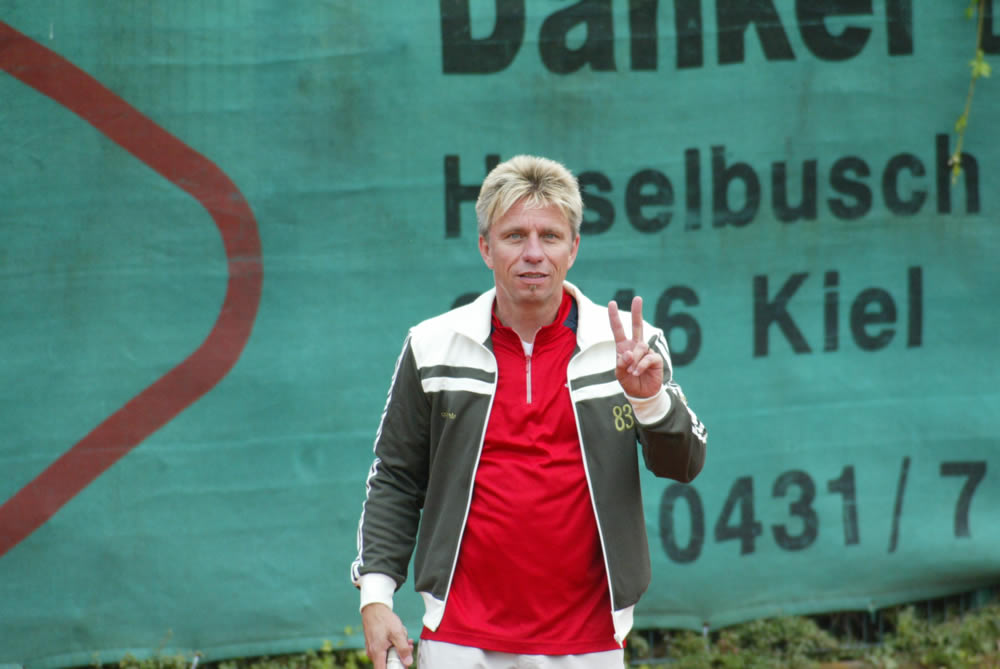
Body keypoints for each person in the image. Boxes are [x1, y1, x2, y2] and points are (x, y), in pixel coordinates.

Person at [351, 155, 707, 669]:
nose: (534, 253)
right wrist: (376, 597)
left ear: (573, 248)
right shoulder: (433, 345)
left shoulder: (631, 347)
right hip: (459, 639)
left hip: (590, 642)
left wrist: (649, 400)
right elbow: (396, 477)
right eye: (515, 235)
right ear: (486, 248)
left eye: (550, 236)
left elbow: (684, 464)